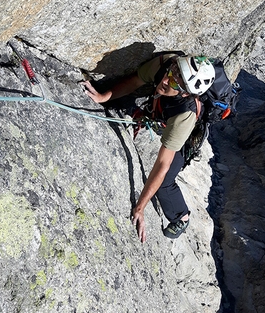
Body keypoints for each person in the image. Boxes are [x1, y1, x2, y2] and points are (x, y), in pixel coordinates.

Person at [83, 54, 215, 243]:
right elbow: (135, 81)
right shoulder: (167, 63)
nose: (166, 81)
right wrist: (103, 97)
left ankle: (181, 216)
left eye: (175, 84)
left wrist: (140, 208)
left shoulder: (184, 116)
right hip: (162, 114)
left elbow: (163, 164)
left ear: (186, 93)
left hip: (184, 135)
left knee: (165, 181)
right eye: (172, 73)